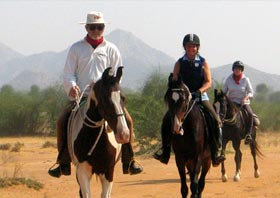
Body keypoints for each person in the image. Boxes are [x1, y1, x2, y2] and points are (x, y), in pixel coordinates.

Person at [48, 11, 143, 178]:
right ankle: (62, 160)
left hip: (106, 97)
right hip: (83, 96)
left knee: (127, 120)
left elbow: (117, 75)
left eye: (99, 27)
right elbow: (68, 73)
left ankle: (130, 159)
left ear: (104, 28)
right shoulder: (76, 48)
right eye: (93, 27)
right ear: (86, 27)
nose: (96, 30)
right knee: (62, 120)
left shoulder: (111, 49)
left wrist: (107, 88)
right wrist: (72, 86)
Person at [153, 33, 225, 166]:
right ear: (185, 47)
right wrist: (173, 83)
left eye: (193, 46)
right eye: (188, 46)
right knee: (166, 120)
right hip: (182, 98)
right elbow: (175, 80)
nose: (191, 48)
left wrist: (199, 91)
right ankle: (165, 152)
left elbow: (208, 82)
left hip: (200, 96)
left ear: (197, 48)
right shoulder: (179, 63)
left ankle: (215, 153)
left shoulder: (203, 62)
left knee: (215, 119)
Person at [222, 60, 254, 145]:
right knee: (222, 114)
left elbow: (251, 92)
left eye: (239, 69)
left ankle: (248, 134)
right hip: (232, 103)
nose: (237, 70)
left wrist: (246, 97)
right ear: (233, 69)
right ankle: (221, 134)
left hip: (244, 103)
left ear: (242, 70)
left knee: (250, 114)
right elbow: (224, 92)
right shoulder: (228, 79)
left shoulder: (246, 79)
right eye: (236, 68)